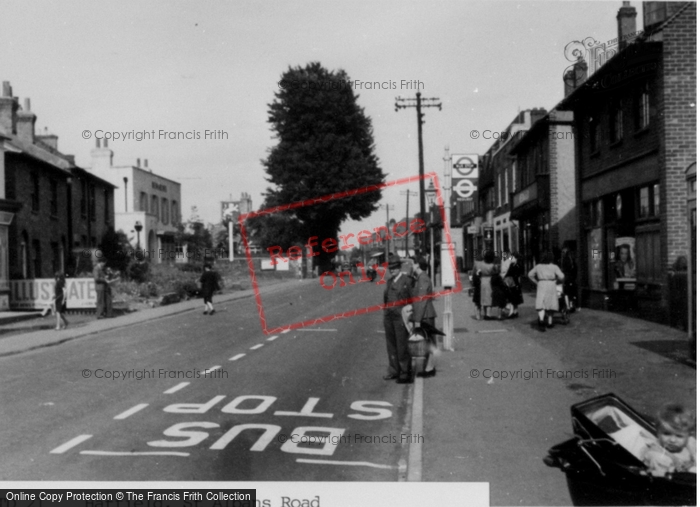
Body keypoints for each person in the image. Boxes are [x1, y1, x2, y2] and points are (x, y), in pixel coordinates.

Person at [383, 254, 414, 384]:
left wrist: (411, 317)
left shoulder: (407, 281)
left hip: (401, 317)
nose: (392, 270)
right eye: (391, 268)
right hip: (389, 317)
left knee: (402, 345)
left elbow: (413, 300)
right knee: (391, 345)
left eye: (395, 268)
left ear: (400, 267)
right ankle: (394, 370)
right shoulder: (389, 281)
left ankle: (405, 372)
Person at [643, 403, 697, 477]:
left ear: (688, 435)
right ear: (658, 432)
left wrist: (692, 463)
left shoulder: (690, 443)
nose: (672, 440)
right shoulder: (656, 455)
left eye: (679, 436)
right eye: (666, 434)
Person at [409, 256, 438, 378]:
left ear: (417, 265)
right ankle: (428, 367)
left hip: (425, 315)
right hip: (425, 314)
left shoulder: (423, 279)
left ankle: (429, 368)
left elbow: (421, 301)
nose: (411, 267)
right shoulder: (421, 278)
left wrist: (417, 319)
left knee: (428, 342)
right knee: (428, 341)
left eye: (412, 264)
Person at [528, 251, 565, 331]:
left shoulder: (538, 266)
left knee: (541, 302)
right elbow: (562, 276)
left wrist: (536, 282)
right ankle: (550, 322)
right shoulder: (554, 267)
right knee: (551, 302)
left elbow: (530, 274)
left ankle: (541, 320)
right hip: (551, 284)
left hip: (541, 284)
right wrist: (556, 280)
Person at [474, 250, 499, 320]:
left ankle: (482, 314)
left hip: (482, 280)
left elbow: (476, 270)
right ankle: (488, 314)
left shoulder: (480, 264)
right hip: (489, 281)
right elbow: (496, 272)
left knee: (483, 298)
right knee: (489, 298)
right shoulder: (492, 266)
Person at [503, 252, 524, 318]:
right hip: (517, 282)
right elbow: (520, 274)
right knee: (516, 297)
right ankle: (515, 311)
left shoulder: (512, 264)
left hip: (512, 282)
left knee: (511, 297)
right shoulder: (520, 265)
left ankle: (511, 312)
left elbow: (509, 273)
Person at [561, 246, 578, 311]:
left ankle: (568, 305)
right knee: (571, 292)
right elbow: (575, 269)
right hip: (571, 278)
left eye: (563, 252)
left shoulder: (565, 260)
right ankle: (571, 305)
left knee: (566, 293)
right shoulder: (571, 259)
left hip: (567, 278)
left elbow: (564, 269)